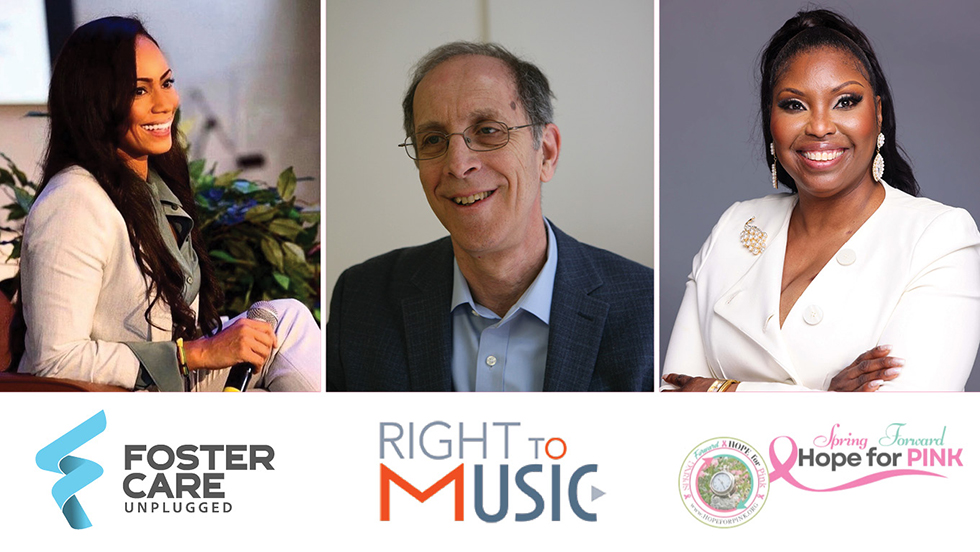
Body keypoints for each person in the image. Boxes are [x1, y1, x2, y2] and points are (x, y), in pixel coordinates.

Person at [662, 9, 980, 392]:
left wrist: (723, 391)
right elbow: (672, 398)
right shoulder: (735, 226)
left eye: (845, 101)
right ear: (771, 122)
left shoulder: (940, 238)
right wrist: (827, 397)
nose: (819, 127)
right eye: (794, 105)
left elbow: (901, 422)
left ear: (878, 113)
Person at [327, 42, 654, 391]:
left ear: (546, 153)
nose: (458, 164)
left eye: (487, 130)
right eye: (433, 139)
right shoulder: (361, 299)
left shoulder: (644, 308)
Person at [17, 17, 320, 391]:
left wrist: (211, 346)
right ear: (94, 102)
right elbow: (54, 360)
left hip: (167, 383)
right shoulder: (72, 203)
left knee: (286, 320)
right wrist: (195, 353)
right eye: (139, 90)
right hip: (117, 400)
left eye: (166, 83)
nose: (165, 103)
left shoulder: (151, 187)